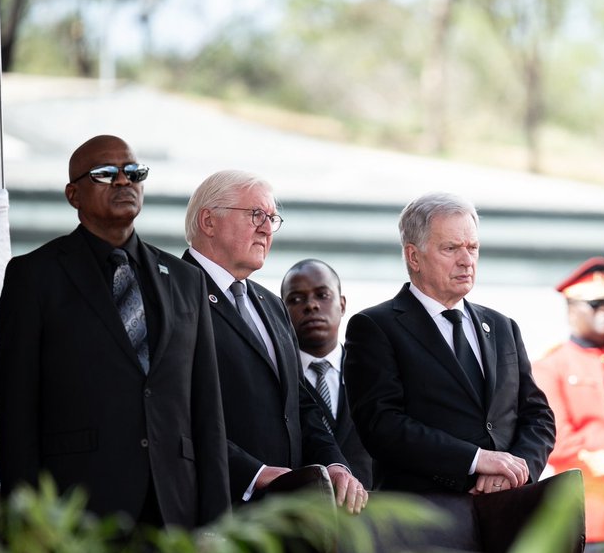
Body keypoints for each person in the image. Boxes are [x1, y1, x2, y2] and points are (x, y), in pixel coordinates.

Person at [0, 135, 230, 528]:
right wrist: (28, 526)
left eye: (133, 172)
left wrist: (217, 527)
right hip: (76, 513)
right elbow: (14, 413)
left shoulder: (186, 279)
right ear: (73, 194)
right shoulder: (34, 277)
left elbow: (208, 412)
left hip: (175, 512)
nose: (124, 181)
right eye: (106, 174)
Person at [342, 192, 555, 495]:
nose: (466, 260)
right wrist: (476, 460)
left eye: (473, 247)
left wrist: (514, 469)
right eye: (451, 248)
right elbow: (382, 426)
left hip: (509, 509)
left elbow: (538, 415)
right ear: (414, 256)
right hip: (428, 518)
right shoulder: (376, 327)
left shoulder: (502, 326)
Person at [183, 171, 367, 513]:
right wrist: (254, 474)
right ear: (209, 221)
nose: (267, 229)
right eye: (256, 215)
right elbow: (171, 411)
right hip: (213, 510)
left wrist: (335, 464)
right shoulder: (172, 294)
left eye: (272, 218)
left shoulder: (270, 304)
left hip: (285, 514)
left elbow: (300, 404)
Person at [533, 257, 604, 553]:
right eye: (595, 304)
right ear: (572, 308)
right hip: (590, 512)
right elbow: (555, 438)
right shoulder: (552, 366)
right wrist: (601, 460)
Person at [281, 258, 373, 489]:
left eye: (322, 295)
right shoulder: (277, 382)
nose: (310, 306)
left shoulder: (375, 371)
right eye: (296, 299)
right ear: (282, 312)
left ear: (342, 304)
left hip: (377, 511)